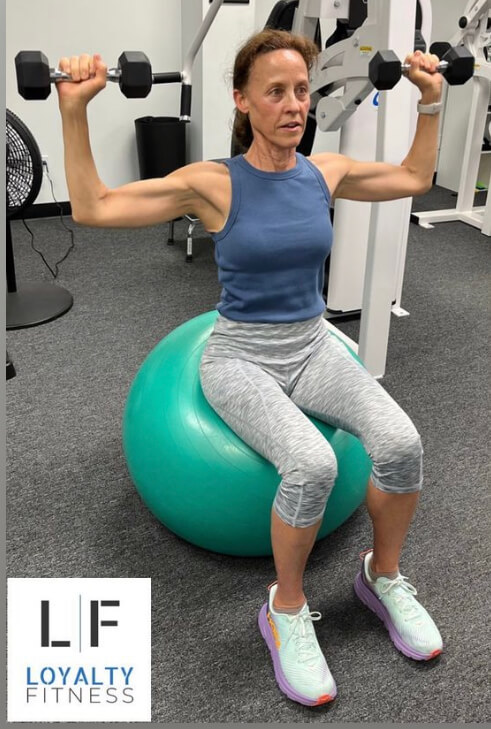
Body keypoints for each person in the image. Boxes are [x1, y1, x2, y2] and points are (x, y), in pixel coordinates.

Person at [57, 28, 443, 707]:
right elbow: (93, 207)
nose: (293, 104)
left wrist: (431, 104)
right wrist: (73, 110)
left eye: (300, 90)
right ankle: (285, 609)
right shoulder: (212, 183)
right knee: (314, 464)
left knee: (402, 443)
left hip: (314, 345)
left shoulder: (324, 172)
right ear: (242, 100)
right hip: (240, 356)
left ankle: (379, 576)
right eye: (274, 92)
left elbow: (413, 178)